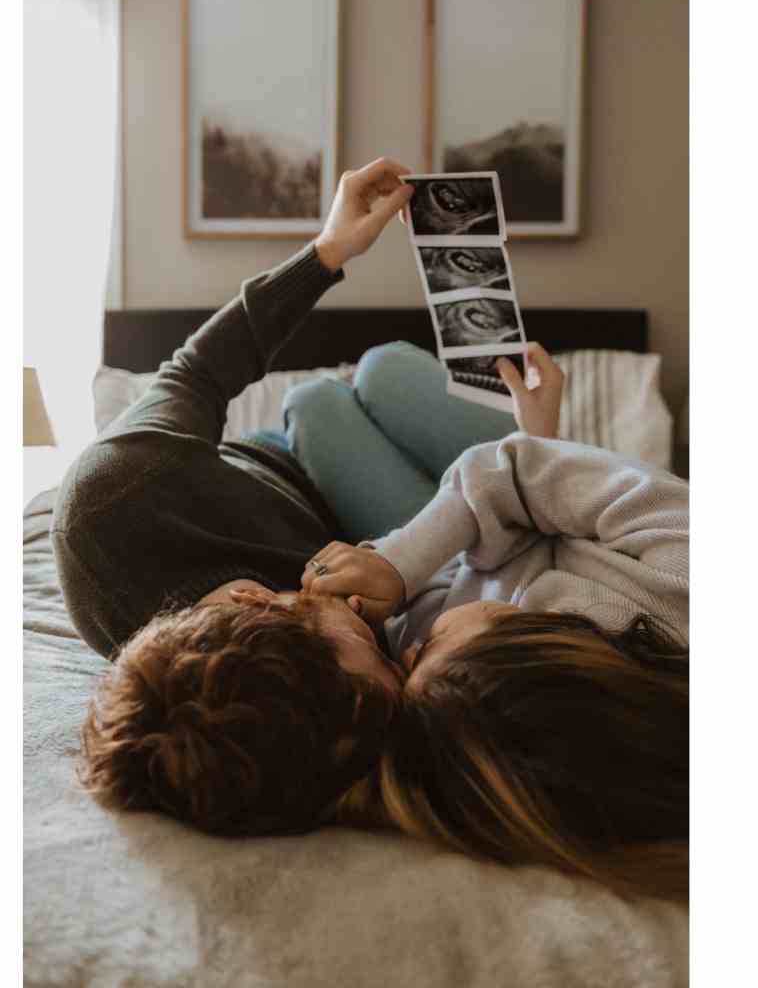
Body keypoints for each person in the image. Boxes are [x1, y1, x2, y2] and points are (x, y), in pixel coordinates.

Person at [56, 158, 419, 836]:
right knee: (381, 385)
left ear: (256, 599)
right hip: (357, 516)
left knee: (341, 391)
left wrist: (329, 249)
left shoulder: (121, 493)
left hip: (298, 460)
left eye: (366, 643)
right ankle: (541, 451)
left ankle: (543, 453)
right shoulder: (274, 705)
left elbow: (199, 369)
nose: (384, 644)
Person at [294, 351, 690, 901]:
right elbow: (524, 471)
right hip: (517, 479)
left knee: (312, 406)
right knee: (383, 370)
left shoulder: (474, 724)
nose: (404, 654)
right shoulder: (687, 581)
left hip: (488, 522)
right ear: (533, 643)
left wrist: (384, 588)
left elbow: (434, 604)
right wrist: (398, 562)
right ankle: (544, 436)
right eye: (427, 646)